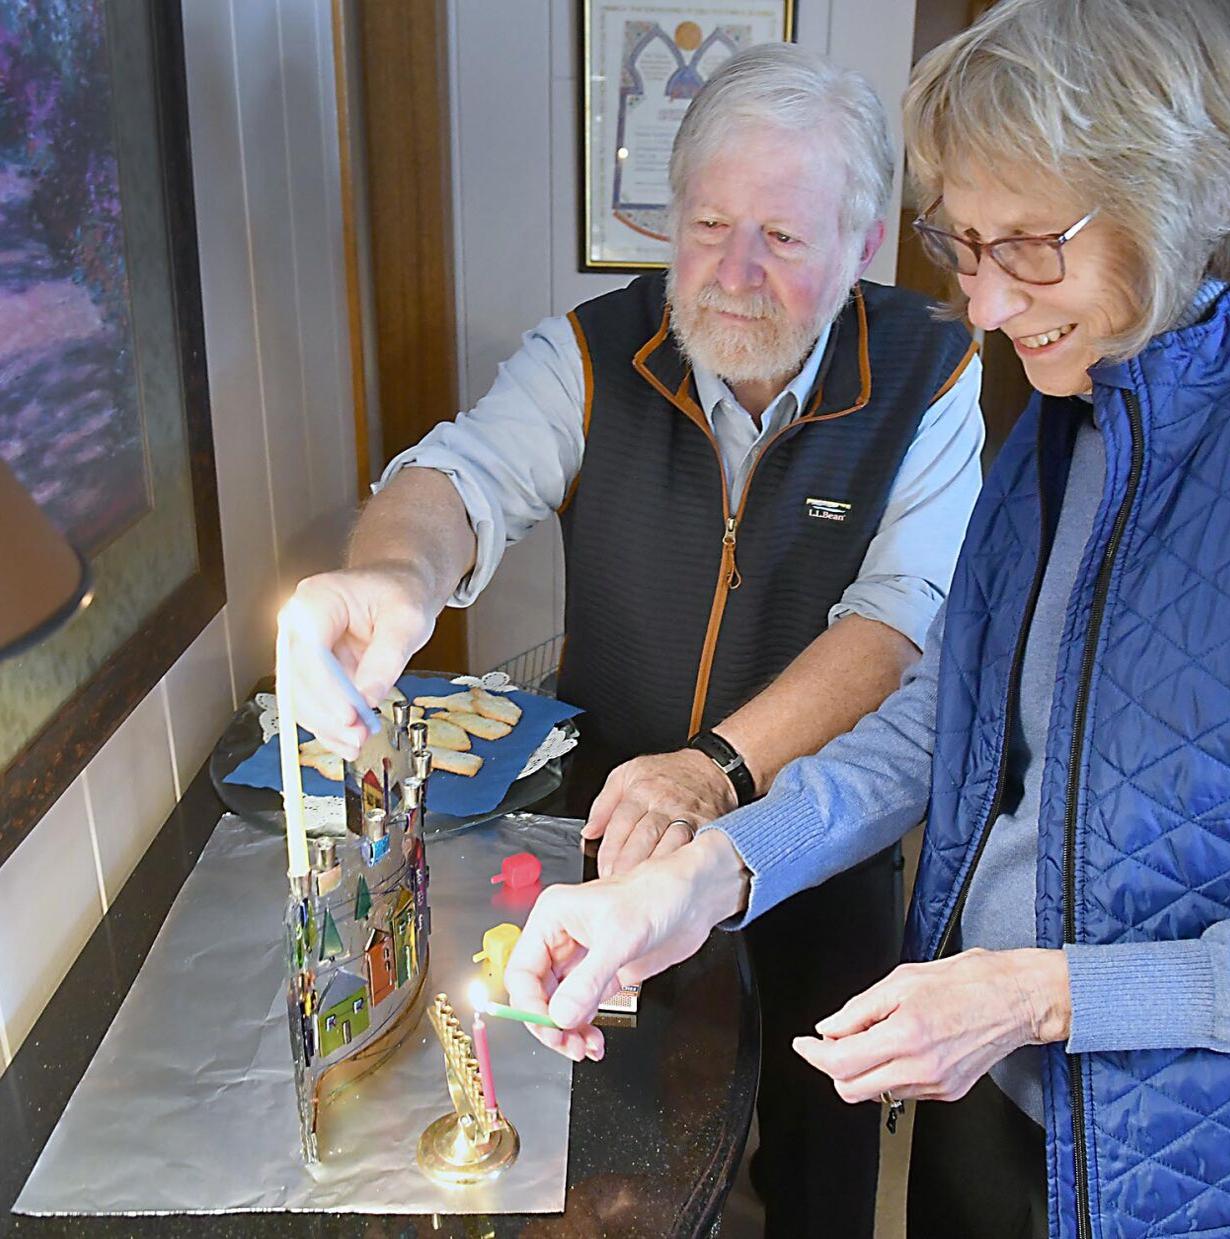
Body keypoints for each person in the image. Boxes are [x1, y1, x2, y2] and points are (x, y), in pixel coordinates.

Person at [500, 2, 1230, 1236]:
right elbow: (941, 720)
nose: (983, 308)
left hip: (1202, 1166)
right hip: (984, 1094)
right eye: (962, 246)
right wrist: (704, 876)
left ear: (1176, 193)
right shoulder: (1064, 416)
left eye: (1030, 247)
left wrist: (1042, 996)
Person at [283, 44, 984, 1239]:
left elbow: (894, 625)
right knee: (621, 1139)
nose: (733, 274)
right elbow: (458, 478)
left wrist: (716, 767)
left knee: (822, 1152)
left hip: (821, 825)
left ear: (863, 247)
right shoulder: (593, 351)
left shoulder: (932, 367)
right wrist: (388, 577)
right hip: (603, 827)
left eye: (782, 237)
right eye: (707, 226)